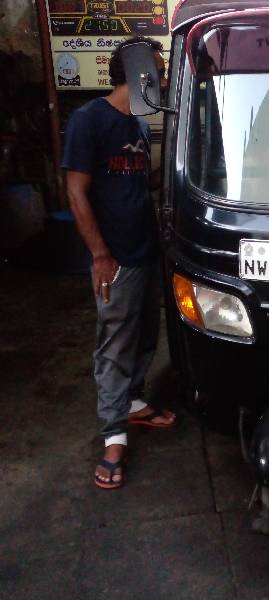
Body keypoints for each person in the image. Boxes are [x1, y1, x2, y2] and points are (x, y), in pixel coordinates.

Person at [63, 36, 176, 490]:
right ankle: (113, 435)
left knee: (146, 333)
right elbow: (76, 192)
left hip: (146, 251)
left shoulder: (139, 126)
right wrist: (100, 254)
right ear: (138, 72)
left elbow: (136, 183)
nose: (163, 81)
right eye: (160, 72)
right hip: (116, 259)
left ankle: (132, 402)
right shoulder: (89, 120)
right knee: (114, 345)